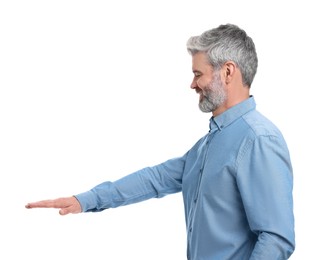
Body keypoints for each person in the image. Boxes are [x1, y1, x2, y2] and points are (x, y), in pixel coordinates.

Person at [25, 23, 295, 259]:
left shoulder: (259, 139)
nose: (192, 84)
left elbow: (276, 239)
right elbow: (155, 179)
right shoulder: (208, 145)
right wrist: (85, 200)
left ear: (227, 72)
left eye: (198, 74)